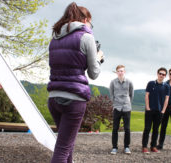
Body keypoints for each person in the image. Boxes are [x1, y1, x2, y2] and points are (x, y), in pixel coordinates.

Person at [47, 2, 103, 163]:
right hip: (74, 100)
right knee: (62, 150)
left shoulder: (55, 38)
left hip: (53, 97)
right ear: (85, 20)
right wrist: (98, 59)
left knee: (66, 144)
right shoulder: (86, 37)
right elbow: (94, 74)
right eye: (91, 22)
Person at [142, 67, 170, 153]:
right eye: (160, 73)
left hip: (159, 111)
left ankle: (153, 146)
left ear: (165, 76)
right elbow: (147, 95)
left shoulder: (166, 86)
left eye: (163, 74)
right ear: (157, 74)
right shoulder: (151, 83)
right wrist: (147, 107)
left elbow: (166, 99)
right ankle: (144, 147)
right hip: (150, 110)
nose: (161, 75)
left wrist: (163, 111)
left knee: (156, 129)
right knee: (147, 128)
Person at [109, 65, 134, 155]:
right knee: (115, 128)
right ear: (116, 72)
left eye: (122, 71)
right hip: (117, 108)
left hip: (127, 108)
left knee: (127, 128)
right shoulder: (113, 82)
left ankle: (126, 147)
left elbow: (131, 94)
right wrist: (115, 103)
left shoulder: (129, 82)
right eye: (119, 71)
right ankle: (114, 147)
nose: (120, 72)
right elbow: (111, 95)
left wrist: (128, 103)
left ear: (124, 72)